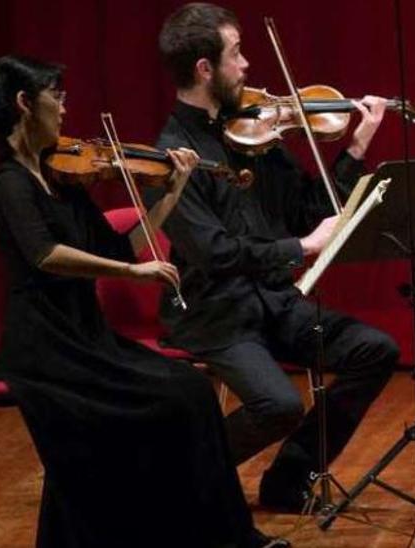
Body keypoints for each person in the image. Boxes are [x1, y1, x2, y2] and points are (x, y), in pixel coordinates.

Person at [0, 55, 281, 547]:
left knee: (190, 390)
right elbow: (45, 255)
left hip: (87, 335)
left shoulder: (60, 179)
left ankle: (216, 534)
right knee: (172, 401)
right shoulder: (10, 185)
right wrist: (130, 274)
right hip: (47, 349)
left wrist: (173, 189)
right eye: (55, 97)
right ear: (23, 104)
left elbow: (126, 247)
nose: (63, 108)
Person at [148, 2, 399, 511]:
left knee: (376, 350)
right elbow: (216, 253)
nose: (246, 66)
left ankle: (288, 477)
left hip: (275, 302)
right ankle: (179, 478)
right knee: (277, 404)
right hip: (217, 313)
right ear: (205, 69)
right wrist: (302, 248)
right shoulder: (171, 157)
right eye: (236, 54)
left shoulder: (254, 134)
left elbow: (310, 208)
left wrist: (355, 149)